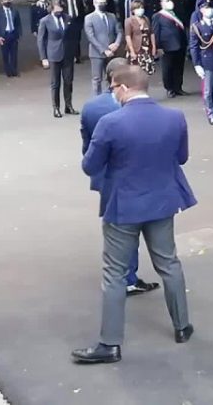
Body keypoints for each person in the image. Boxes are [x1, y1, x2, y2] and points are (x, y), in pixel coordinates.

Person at [73, 66, 195, 364]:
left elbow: (90, 166)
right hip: (162, 201)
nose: (112, 92)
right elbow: (181, 157)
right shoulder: (174, 117)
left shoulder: (109, 123)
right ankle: (182, 326)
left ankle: (110, 344)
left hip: (123, 205)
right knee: (169, 263)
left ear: (124, 88)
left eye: (114, 87)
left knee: (114, 273)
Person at [80, 58, 160, 296]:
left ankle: (123, 276)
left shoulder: (91, 107)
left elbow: (87, 144)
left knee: (116, 228)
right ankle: (127, 278)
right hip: (137, 175)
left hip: (105, 174)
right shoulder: (132, 106)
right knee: (135, 228)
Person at [189, 0, 213, 125]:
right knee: (208, 92)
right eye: (206, 8)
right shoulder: (197, 27)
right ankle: (211, 115)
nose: (209, 10)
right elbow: (194, 47)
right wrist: (196, 64)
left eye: (210, 7)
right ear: (201, 10)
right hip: (206, 62)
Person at [38, 0, 77, 118]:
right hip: (53, 54)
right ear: (52, 9)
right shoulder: (45, 21)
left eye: (61, 8)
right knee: (55, 83)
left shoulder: (67, 18)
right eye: (57, 9)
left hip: (67, 54)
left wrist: (74, 53)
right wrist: (43, 57)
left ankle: (68, 105)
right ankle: (56, 108)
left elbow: (72, 36)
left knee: (68, 81)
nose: (59, 11)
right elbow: (41, 40)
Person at [83, 0, 123, 96]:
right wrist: (104, 50)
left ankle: (110, 98)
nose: (102, 5)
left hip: (112, 51)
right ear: (94, 4)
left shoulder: (112, 16)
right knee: (97, 79)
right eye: (100, 3)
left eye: (104, 2)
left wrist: (117, 44)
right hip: (97, 53)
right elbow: (91, 37)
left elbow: (119, 31)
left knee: (111, 77)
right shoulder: (89, 18)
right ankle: (97, 100)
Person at [152, 0, 187, 98]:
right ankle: (169, 88)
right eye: (167, 0)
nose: (170, 2)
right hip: (167, 46)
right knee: (167, 69)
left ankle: (178, 88)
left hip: (180, 44)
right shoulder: (158, 16)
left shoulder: (176, 13)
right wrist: (158, 47)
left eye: (171, 0)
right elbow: (156, 32)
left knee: (179, 68)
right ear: (162, 3)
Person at [0, 0, 22, 78]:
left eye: (8, 0)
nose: (7, 2)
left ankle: (14, 71)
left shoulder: (15, 10)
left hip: (13, 34)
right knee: (5, 54)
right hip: (4, 35)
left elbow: (18, 23)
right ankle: (8, 71)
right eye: (4, 1)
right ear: (1, 2)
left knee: (14, 54)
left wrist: (19, 34)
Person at [124, 3, 157, 76]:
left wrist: (154, 46)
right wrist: (132, 51)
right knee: (135, 73)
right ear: (133, 10)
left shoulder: (146, 19)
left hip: (146, 49)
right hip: (136, 49)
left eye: (141, 7)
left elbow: (151, 33)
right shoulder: (129, 21)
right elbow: (128, 36)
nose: (140, 10)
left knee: (146, 73)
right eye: (138, 8)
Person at [63, 0, 86, 64]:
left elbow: (82, 11)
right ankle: (68, 56)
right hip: (66, 22)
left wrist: (82, 22)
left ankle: (77, 56)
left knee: (76, 40)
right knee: (67, 40)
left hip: (77, 21)